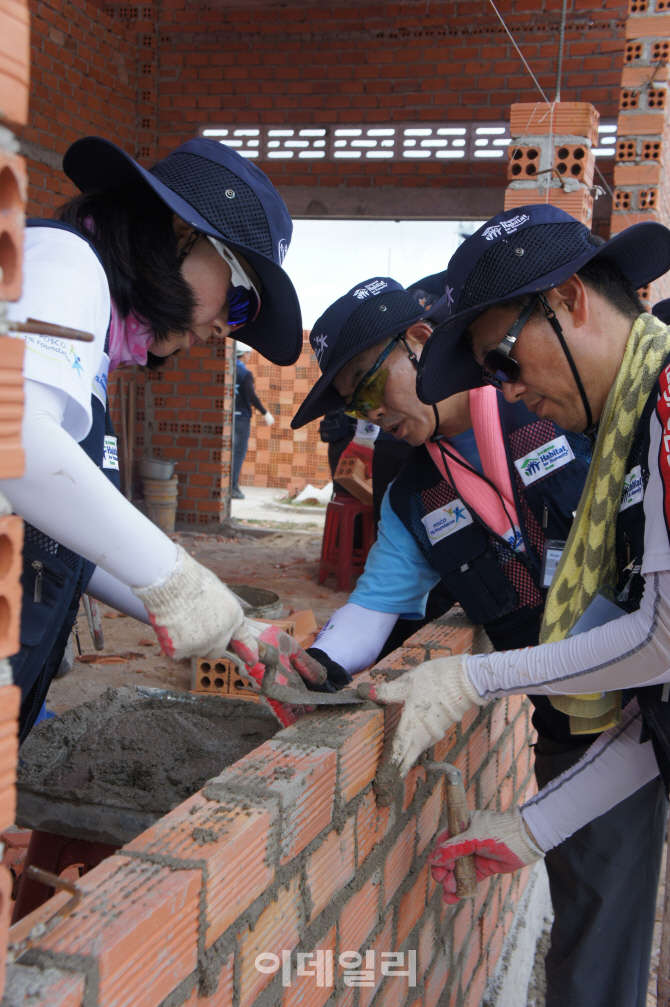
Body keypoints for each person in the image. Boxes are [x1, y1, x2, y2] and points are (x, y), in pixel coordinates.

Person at [290, 271, 667, 1007]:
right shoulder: (412, 491)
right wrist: (316, 660)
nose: (369, 417)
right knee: (595, 931)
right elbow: (374, 604)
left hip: (649, 683)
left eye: (369, 389)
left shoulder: (561, 402)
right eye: (351, 408)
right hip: (581, 728)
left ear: (420, 343)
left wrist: (472, 681)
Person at [4, 135, 324, 739]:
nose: (219, 331)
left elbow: (66, 535)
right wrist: (170, 573)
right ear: (180, 230)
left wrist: (228, 623)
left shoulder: (91, 345)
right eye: (236, 304)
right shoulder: (67, 264)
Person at [232, 342, 274, 499]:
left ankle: (229, 486)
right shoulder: (245, 373)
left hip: (229, 418)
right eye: (249, 354)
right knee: (237, 453)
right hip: (241, 419)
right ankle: (233, 487)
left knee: (228, 453)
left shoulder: (229, 370)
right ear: (244, 354)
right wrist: (265, 413)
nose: (250, 357)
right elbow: (252, 396)